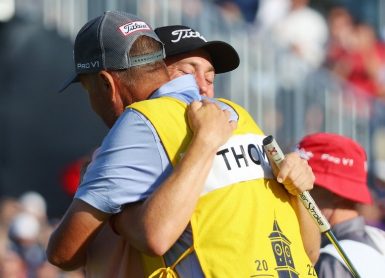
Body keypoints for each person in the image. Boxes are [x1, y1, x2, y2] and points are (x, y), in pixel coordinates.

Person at [47, 10, 317, 277]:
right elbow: (309, 251)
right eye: (191, 70)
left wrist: (117, 216)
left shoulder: (141, 121)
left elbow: (64, 253)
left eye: (87, 90)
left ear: (107, 84)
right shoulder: (240, 115)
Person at [297, 132, 385, 277]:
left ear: (335, 193)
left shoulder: (332, 261)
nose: (295, 197)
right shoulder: (378, 241)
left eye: (305, 188)